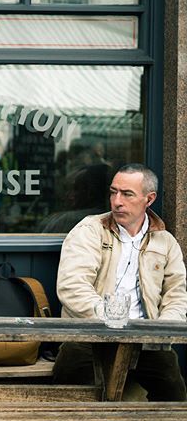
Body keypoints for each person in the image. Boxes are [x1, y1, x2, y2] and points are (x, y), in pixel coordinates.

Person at [53, 163, 187, 401]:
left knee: (174, 398)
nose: (116, 201)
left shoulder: (165, 242)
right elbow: (72, 286)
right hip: (89, 337)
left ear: (149, 199)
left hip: (147, 342)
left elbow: (177, 294)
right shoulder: (90, 230)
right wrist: (110, 320)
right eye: (113, 192)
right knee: (82, 395)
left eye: (127, 194)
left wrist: (162, 331)